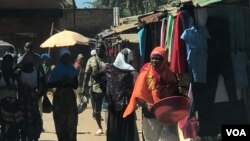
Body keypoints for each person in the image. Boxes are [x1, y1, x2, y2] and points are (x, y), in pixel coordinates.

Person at [123, 46, 180, 141]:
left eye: (158, 59)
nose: (154, 61)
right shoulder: (144, 74)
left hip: (168, 115)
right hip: (151, 116)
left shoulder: (170, 74)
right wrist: (145, 104)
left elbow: (175, 92)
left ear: (164, 59)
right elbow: (138, 95)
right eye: (152, 58)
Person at [102, 48, 139, 141]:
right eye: (130, 60)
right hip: (126, 105)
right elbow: (138, 81)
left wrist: (108, 90)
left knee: (114, 130)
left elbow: (96, 76)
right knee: (126, 132)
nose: (130, 62)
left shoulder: (109, 68)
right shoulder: (131, 71)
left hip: (113, 105)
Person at [48, 48, 78, 141]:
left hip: (70, 99)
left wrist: (70, 81)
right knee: (60, 122)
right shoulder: (56, 69)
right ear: (61, 58)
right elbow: (49, 84)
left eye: (68, 57)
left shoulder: (72, 69)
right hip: (59, 99)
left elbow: (76, 85)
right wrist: (60, 82)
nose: (66, 59)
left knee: (71, 123)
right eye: (64, 57)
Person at [82, 43, 108, 135]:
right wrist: (83, 88)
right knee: (96, 110)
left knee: (107, 109)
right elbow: (87, 74)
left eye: (101, 48)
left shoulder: (109, 59)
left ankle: (108, 127)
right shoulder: (91, 60)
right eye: (97, 48)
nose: (99, 50)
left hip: (107, 88)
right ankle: (100, 127)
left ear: (104, 50)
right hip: (94, 88)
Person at [0, 53, 23, 141]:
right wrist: (5, 87)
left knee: (14, 127)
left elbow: (21, 89)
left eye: (10, 62)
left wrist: (15, 88)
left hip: (14, 105)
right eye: (6, 62)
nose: (8, 64)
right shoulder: (0, 75)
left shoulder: (16, 75)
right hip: (2, 104)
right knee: (4, 126)